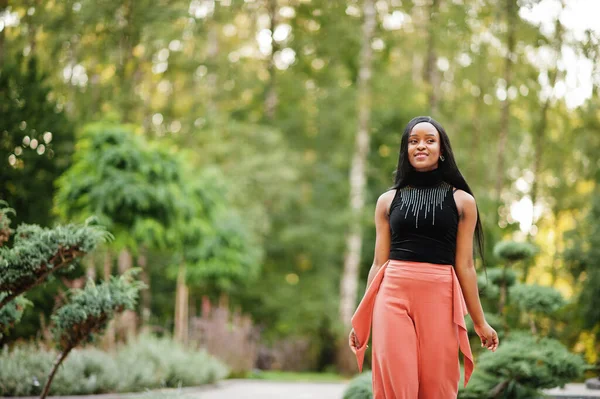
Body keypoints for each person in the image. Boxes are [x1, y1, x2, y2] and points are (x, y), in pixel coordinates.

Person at [348, 116, 499, 398]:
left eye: (430, 140)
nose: (421, 146)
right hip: (392, 294)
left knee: (438, 385)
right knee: (396, 384)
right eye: (413, 141)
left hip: (440, 296)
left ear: (442, 151)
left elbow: (465, 266)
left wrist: (480, 322)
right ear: (405, 150)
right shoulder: (387, 201)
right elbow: (378, 264)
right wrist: (362, 317)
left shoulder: (463, 202)